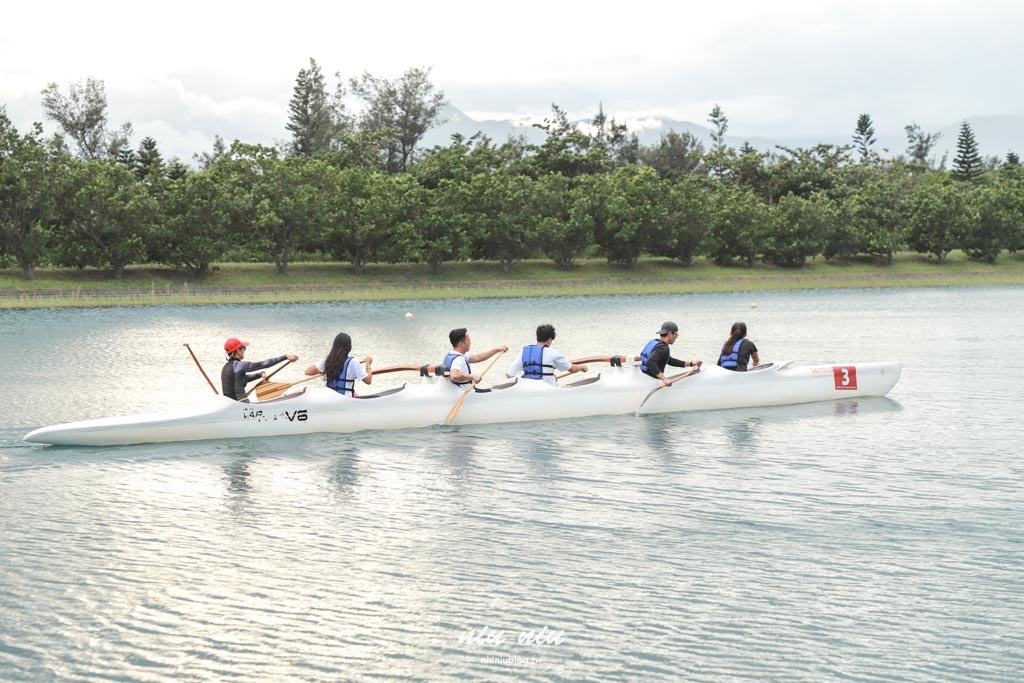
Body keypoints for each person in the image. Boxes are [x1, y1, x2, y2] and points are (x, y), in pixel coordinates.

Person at [505, 324, 588, 387]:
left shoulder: (523, 353)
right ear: (549, 340)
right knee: (569, 387)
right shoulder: (553, 353)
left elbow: (509, 374)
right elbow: (572, 369)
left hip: (529, 390)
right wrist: (582, 367)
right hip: (549, 391)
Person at [221, 337, 298, 401]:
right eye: (244, 348)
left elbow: (242, 379)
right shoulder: (239, 365)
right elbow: (264, 364)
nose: (244, 350)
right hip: (242, 405)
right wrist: (285, 357)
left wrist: (259, 374)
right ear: (238, 350)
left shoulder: (226, 367)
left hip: (229, 405)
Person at [304, 332, 372, 396]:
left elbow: (308, 372)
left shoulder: (328, 360)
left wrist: (325, 370)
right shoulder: (353, 362)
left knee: (354, 393)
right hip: (345, 400)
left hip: (329, 398)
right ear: (349, 347)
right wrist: (368, 364)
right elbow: (368, 380)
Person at [639, 321, 702, 387]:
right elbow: (650, 362)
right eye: (676, 334)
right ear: (670, 334)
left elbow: (669, 360)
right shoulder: (663, 348)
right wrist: (664, 379)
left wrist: (691, 363)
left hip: (643, 377)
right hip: (650, 382)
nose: (676, 337)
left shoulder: (654, 342)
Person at [443, 328, 508, 386]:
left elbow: (478, 357)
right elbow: (454, 375)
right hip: (463, 392)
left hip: (454, 390)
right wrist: (471, 377)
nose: (470, 342)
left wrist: (496, 350)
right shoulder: (459, 359)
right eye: (468, 340)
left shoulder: (451, 354)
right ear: (461, 344)